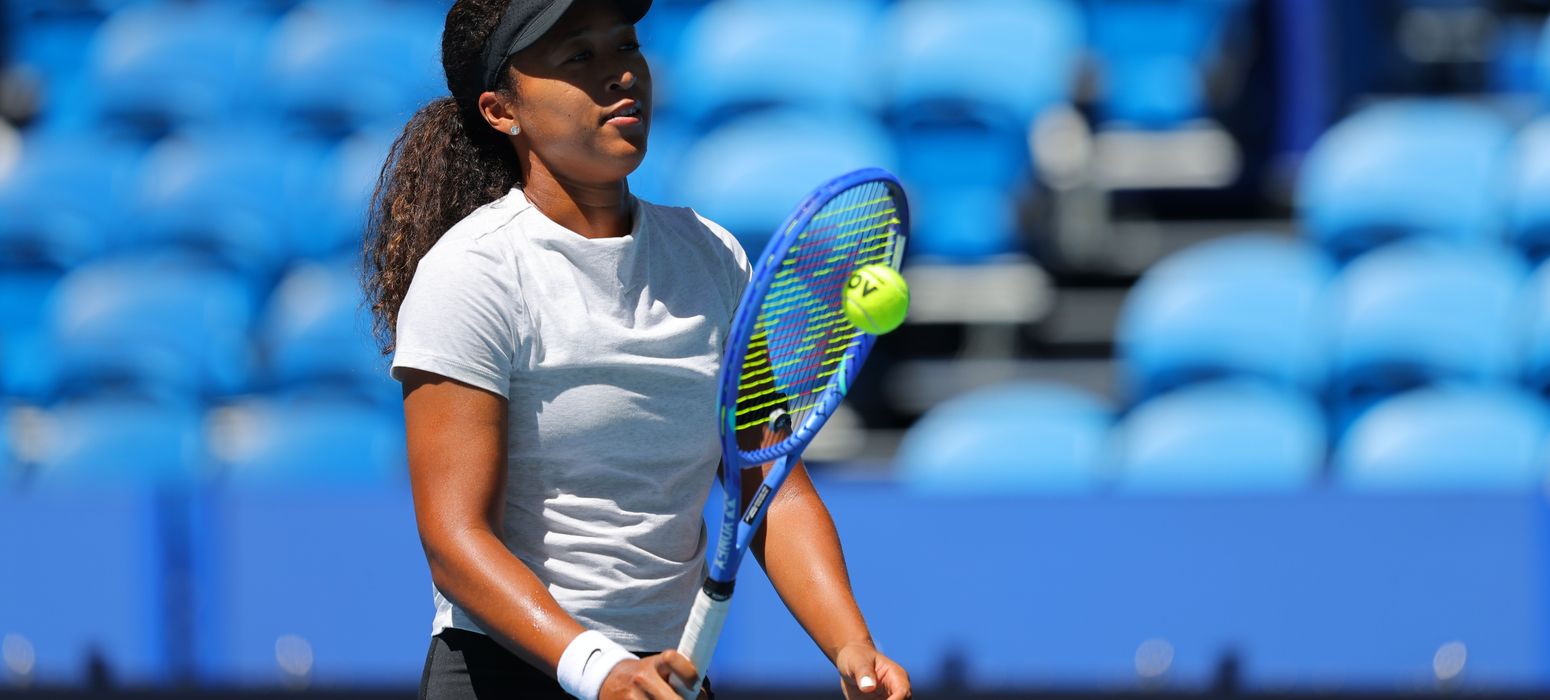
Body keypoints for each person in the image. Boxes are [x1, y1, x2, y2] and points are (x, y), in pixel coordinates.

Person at [363, 1, 912, 699]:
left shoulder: (712, 259)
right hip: (507, 674)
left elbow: (771, 490)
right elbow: (456, 540)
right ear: (503, 111)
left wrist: (853, 646)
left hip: (663, 679)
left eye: (625, 46)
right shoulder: (472, 274)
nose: (620, 73)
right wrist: (600, 669)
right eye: (579, 57)